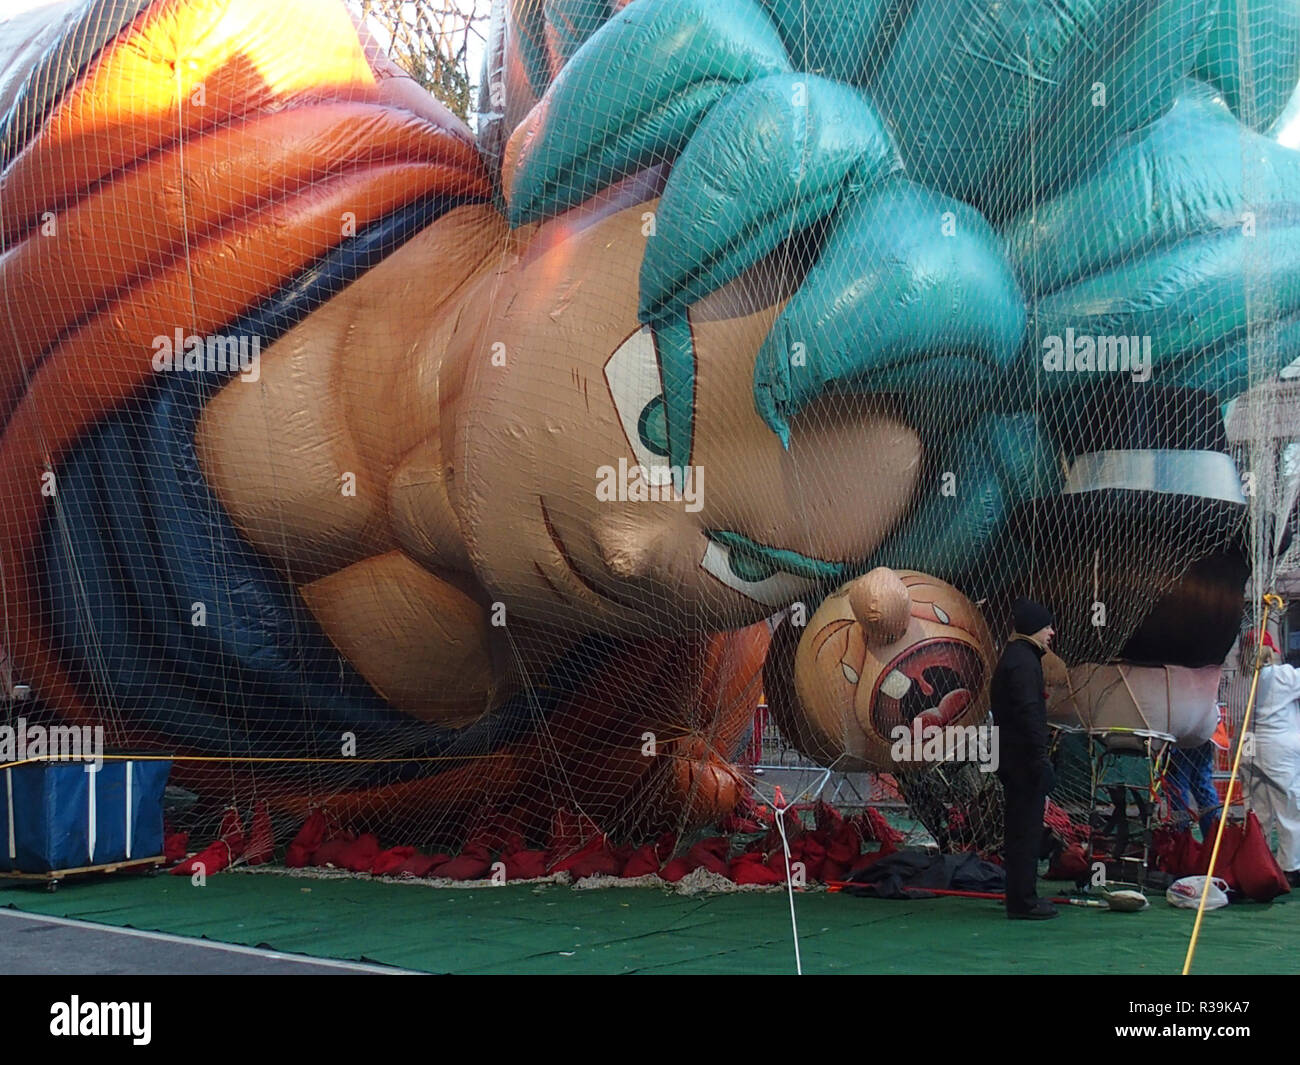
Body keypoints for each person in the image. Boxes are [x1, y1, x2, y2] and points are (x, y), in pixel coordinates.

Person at [991, 598, 1059, 920]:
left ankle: (1021, 897)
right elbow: (1028, 712)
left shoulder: (1017, 658)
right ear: (1035, 628)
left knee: (1021, 830)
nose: (1052, 633)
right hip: (1022, 761)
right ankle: (1023, 902)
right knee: (1025, 832)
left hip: (1013, 758)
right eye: (1047, 627)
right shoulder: (1023, 663)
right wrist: (1039, 758)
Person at [1238, 629, 1300, 887]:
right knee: (1289, 810)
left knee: (1255, 809)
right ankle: (1290, 867)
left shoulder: (1240, 679)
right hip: (1278, 748)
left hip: (1248, 746)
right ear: (1272, 651)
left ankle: (1257, 861)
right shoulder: (1283, 675)